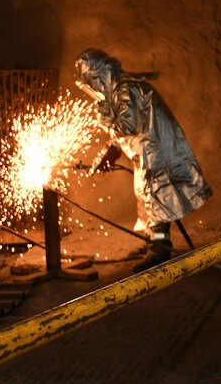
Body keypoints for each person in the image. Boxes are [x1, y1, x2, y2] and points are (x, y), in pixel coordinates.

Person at [75, 49, 212, 273]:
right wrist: (112, 149)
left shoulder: (126, 89)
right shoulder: (121, 89)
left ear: (99, 75)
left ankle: (160, 248)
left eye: (91, 79)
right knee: (146, 197)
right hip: (147, 150)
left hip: (155, 149)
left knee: (157, 201)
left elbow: (127, 125)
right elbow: (125, 128)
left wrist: (106, 121)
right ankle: (153, 243)